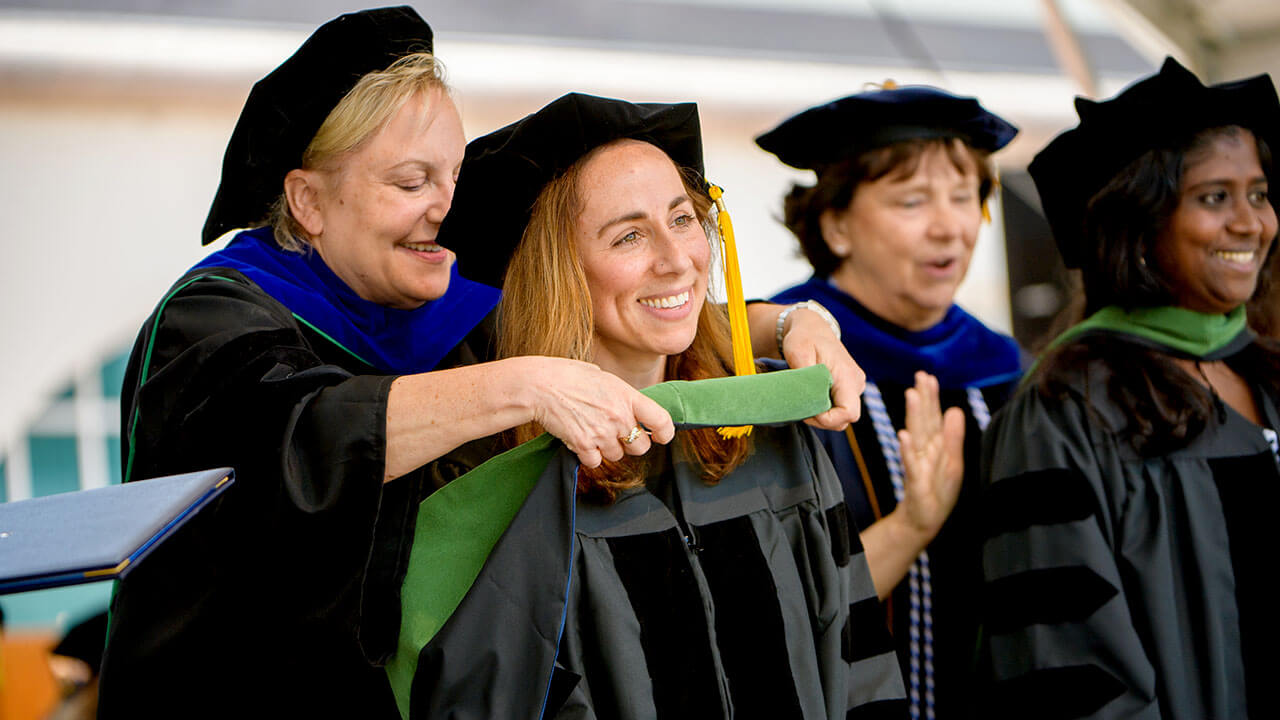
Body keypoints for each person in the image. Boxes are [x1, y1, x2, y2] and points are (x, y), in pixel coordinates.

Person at [98, 8, 866, 717]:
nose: (446, 207)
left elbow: (644, 310)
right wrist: (524, 381)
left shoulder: (437, 310)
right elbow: (305, 439)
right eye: (410, 182)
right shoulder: (213, 323)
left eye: (453, 176)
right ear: (308, 200)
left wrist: (793, 322)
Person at [391, 93, 906, 719]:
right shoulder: (494, 483)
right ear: (561, 273)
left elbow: (858, 668)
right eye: (630, 235)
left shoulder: (769, 429)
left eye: (684, 218)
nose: (675, 260)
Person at [981, 57, 1280, 718]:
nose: (1250, 223)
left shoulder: (1268, 374)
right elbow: (1061, 669)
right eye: (1214, 198)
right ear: (1140, 225)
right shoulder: (1063, 410)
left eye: (1258, 194)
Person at [757, 85, 1022, 718]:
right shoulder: (779, 380)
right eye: (912, 201)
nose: (949, 227)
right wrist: (913, 525)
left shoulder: (1009, 372)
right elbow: (779, 606)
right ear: (836, 225)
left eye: (964, 198)